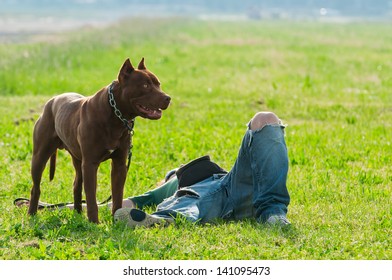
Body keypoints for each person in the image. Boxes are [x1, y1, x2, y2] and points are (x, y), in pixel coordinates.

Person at [113, 111, 291, 228]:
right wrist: (91, 207)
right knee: (196, 198)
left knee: (265, 119)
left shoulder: (193, 181)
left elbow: (129, 203)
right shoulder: (173, 185)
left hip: (235, 186)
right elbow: (131, 203)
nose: (179, 169)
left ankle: (273, 213)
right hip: (214, 197)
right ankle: (163, 220)